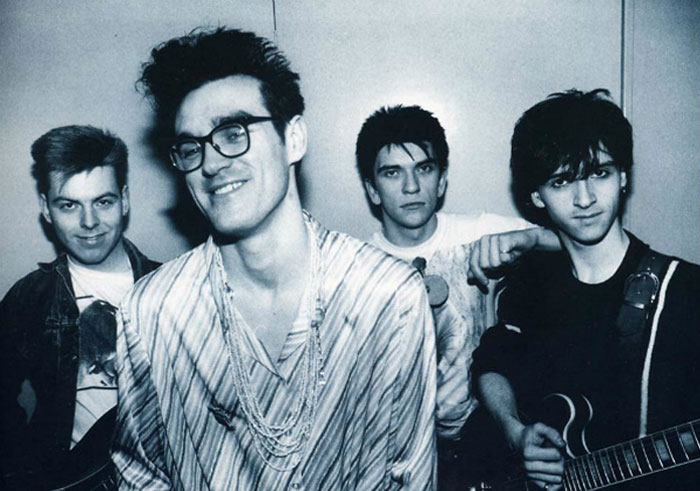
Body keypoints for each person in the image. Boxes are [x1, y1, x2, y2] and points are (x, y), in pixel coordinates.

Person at [112, 27, 437, 490]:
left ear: (294, 138)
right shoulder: (153, 313)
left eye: (233, 133)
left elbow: (409, 474)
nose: (210, 163)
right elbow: (141, 477)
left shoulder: (386, 296)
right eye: (191, 148)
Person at [472, 89, 700, 490]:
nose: (585, 199)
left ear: (624, 176)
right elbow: (492, 362)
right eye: (562, 181)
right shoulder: (529, 285)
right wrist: (514, 432)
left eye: (600, 173)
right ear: (536, 195)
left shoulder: (686, 293)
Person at [355, 105, 557, 487]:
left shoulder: (478, 232)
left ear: (442, 180)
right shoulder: (355, 268)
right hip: (398, 460)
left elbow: (577, 242)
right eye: (392, 172)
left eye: (424, 169)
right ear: (372, 189)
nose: (411, 187)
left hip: (490, 448)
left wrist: (529, 238)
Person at [0, 125, 160, 490]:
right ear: (46, 209)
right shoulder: (30, 298)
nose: (89, 223)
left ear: (124, 200)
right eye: (69, 205)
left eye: (103, 202)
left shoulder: (172, 288)